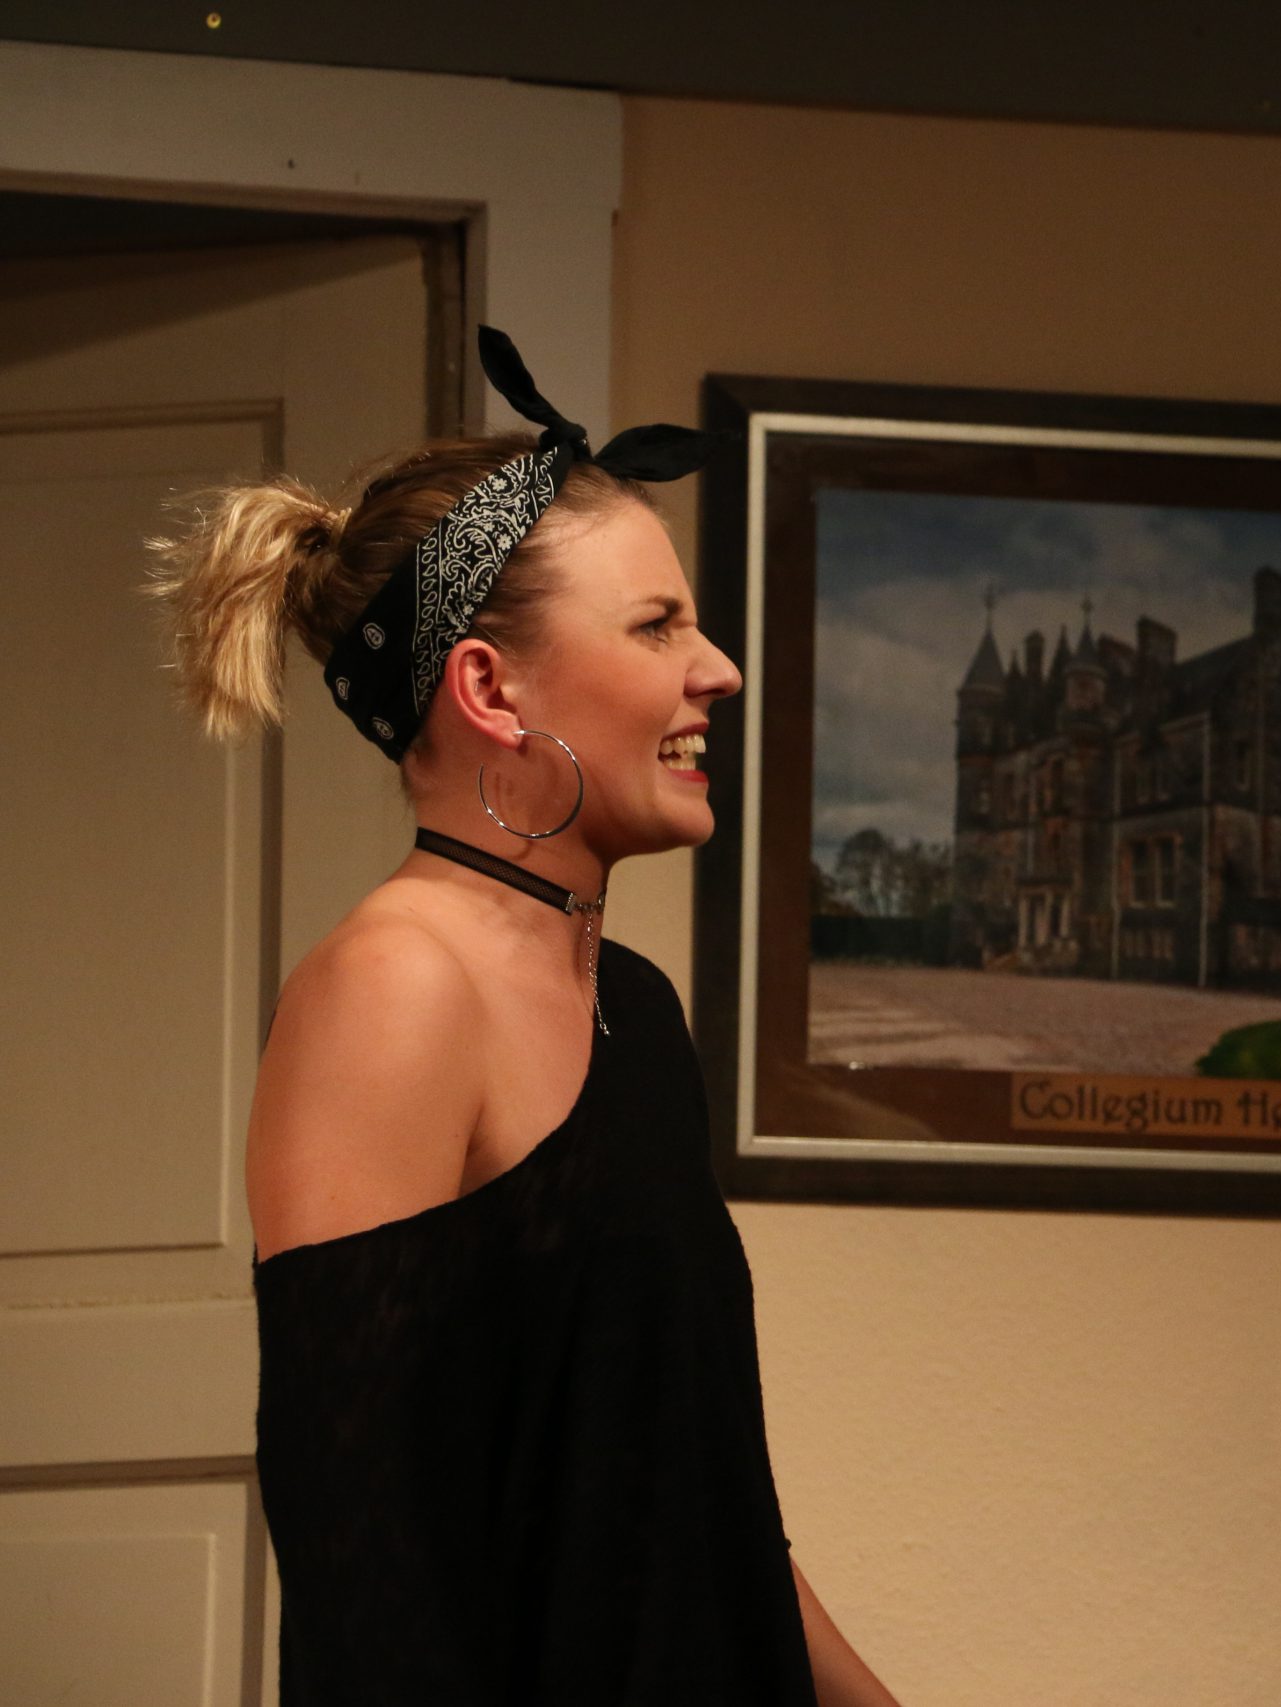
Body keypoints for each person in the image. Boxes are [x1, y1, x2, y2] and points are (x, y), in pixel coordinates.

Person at [150, 330, 901, 1707]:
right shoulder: (396, 984)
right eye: (656, 626)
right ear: (491, 690)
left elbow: (696, 1504)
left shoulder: (636, 1005)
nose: (719, 669)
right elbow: (360, 1559)